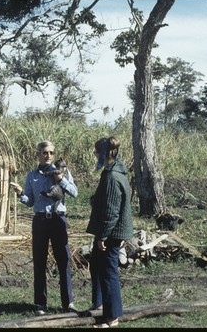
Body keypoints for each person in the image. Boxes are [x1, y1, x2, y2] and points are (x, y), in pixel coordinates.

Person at [11, 140, 78, 316]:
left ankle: (68, 303)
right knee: (39, 262)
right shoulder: (32, 175)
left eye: (51, 153)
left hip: (58, 220)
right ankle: (40, 304)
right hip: (40, 221)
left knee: (63, 261)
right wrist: (21, 194)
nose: (48, 156)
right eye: (45, 152)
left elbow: (75, 193)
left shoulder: (62, 172)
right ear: (38, 154)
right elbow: (31, 201)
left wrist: (61, 180)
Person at [86, 136, 134, 328]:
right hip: (112, 231)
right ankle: (99, 306)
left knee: (108, 272)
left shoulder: (112, 176)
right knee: (97, 265)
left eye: (96, 152)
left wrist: (102, 236)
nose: (95, 155)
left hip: (111, 233)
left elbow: (111, 211)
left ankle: (112, 317)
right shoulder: (114, 171)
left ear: (103, 153)